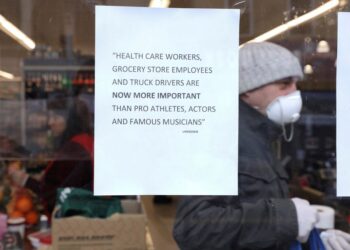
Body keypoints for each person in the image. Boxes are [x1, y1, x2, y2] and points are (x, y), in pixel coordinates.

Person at [173, 42, 350, 250]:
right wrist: (288, 219)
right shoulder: (222, 139)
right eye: (284, 84)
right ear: (247, 90)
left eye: (295, 83)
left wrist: (315, 232)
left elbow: (257, 210)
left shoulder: (263, 138)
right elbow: (193, 229)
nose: (295, 93)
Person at [8, 97, 93, 214]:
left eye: (56, 117)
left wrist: (24, 180)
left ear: (70, 120)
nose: (50, 122)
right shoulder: (83, 140)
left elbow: (56, 193)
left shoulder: (73, 149)